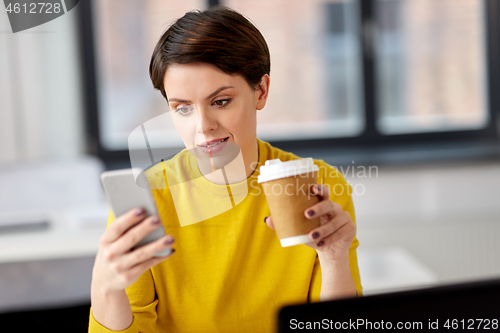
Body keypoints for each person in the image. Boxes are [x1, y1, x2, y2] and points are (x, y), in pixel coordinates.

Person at [89, 6, 362, 333]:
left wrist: (334, 260)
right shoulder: (146, 198)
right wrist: (105, 286)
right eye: (183, 108)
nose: (203, 126)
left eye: (220, 101)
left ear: (260, 91)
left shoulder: (316, 184)